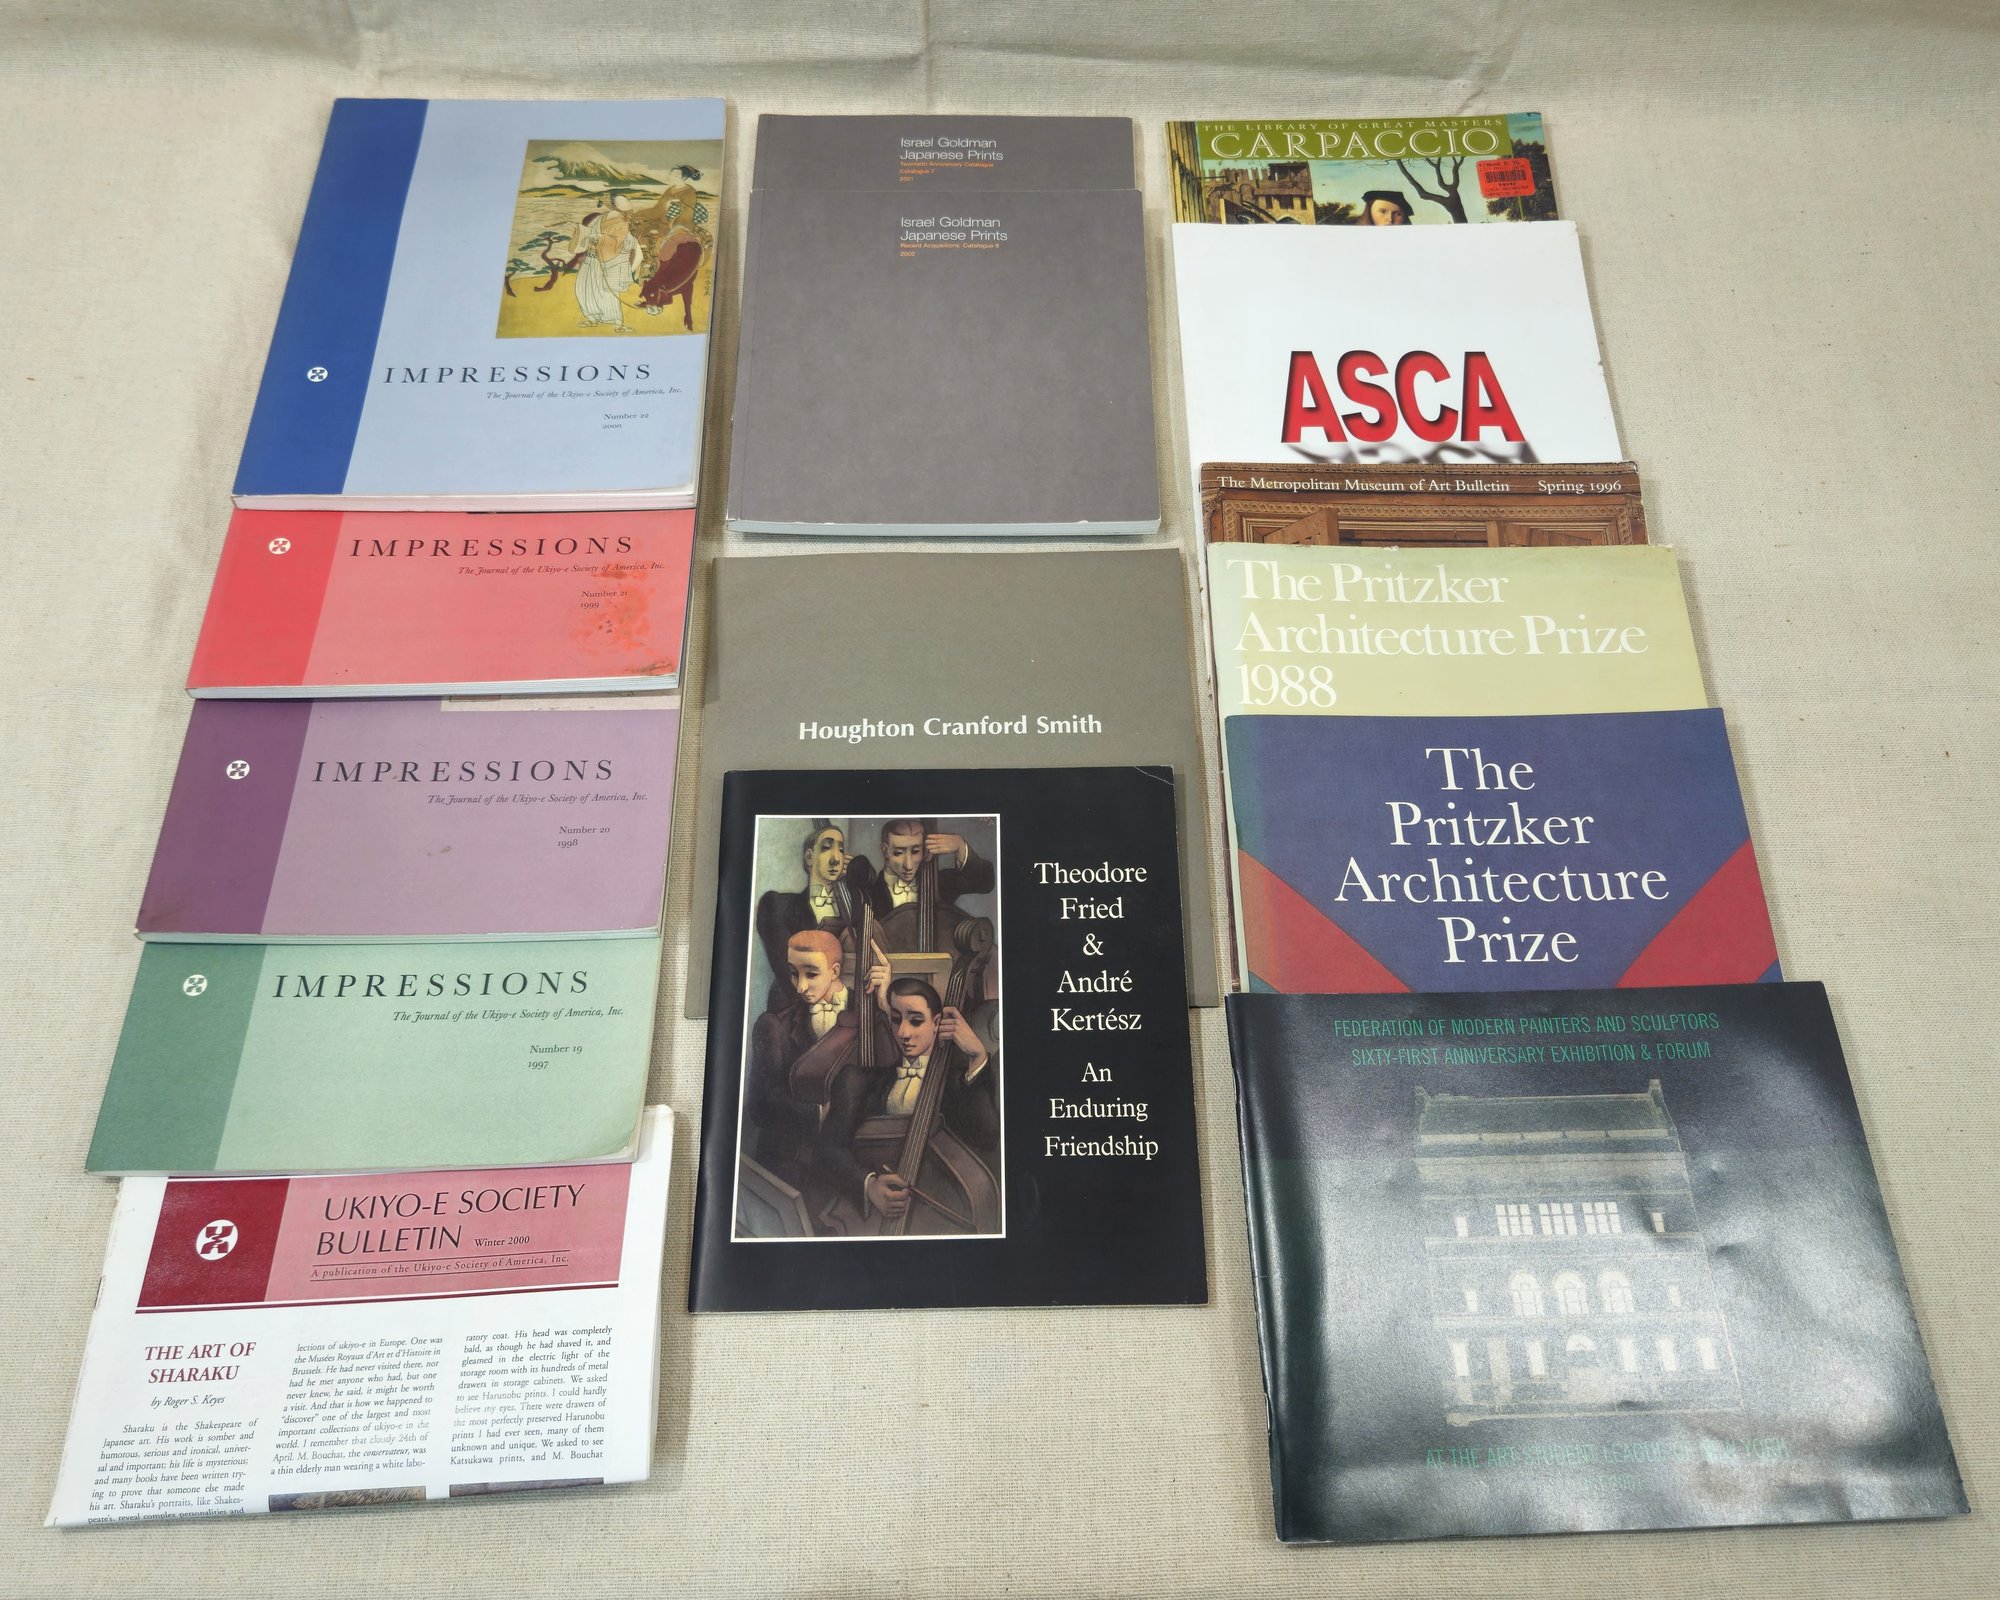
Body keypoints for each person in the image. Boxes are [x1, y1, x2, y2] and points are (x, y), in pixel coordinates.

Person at [819, 960, 999, 1231]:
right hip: (866, 1222)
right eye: (896, 1020)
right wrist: (869, 1186)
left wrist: (977, 1056)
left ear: (937, 1023)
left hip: (930, 1219)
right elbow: (827, 1150)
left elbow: (987, 1138)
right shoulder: (861, 1083)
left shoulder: (958, 1084)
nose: (903, 1032)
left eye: (916, 1021)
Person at [742, 928, 890, 1230]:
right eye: (793, 974)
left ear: (835, 971)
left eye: (811, 974)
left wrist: (885, 1005)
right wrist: (819, 1114)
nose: (800, 986)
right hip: (793, 1165)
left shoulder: (871, 1015)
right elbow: (760, 1105)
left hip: (854, 1160)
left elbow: (889, 1075)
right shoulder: (774, 1026)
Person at [753, 820, 875, 1012]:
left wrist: (858, 871)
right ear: (809, 858)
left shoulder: (854, 905)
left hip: (844, 1007)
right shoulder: (778, 905)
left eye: (841, 850)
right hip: (793, 1009)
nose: (836, 859)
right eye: (826, 848)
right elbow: (786, 970)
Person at [864, 819, 994, 925]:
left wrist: (960, 847)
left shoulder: (940, 883)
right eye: (898, 852)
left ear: (925, 850)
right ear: (885, 850)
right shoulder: (868, 892)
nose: (908, 865)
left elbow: (985, 883)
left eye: (915, 851)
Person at [570, 195, 640, 329]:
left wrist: (601, 238)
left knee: (606, 291)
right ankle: (592, 317)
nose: (624, 204)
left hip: (607, 260)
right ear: (614, 204)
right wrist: (580, 230)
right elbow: (592, 232)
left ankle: (617, 322)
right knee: (583, 287)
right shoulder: (603, 217)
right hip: (591, 257)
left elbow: (619, 240)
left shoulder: (624, 221)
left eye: (624, 202)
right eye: (619, 202)